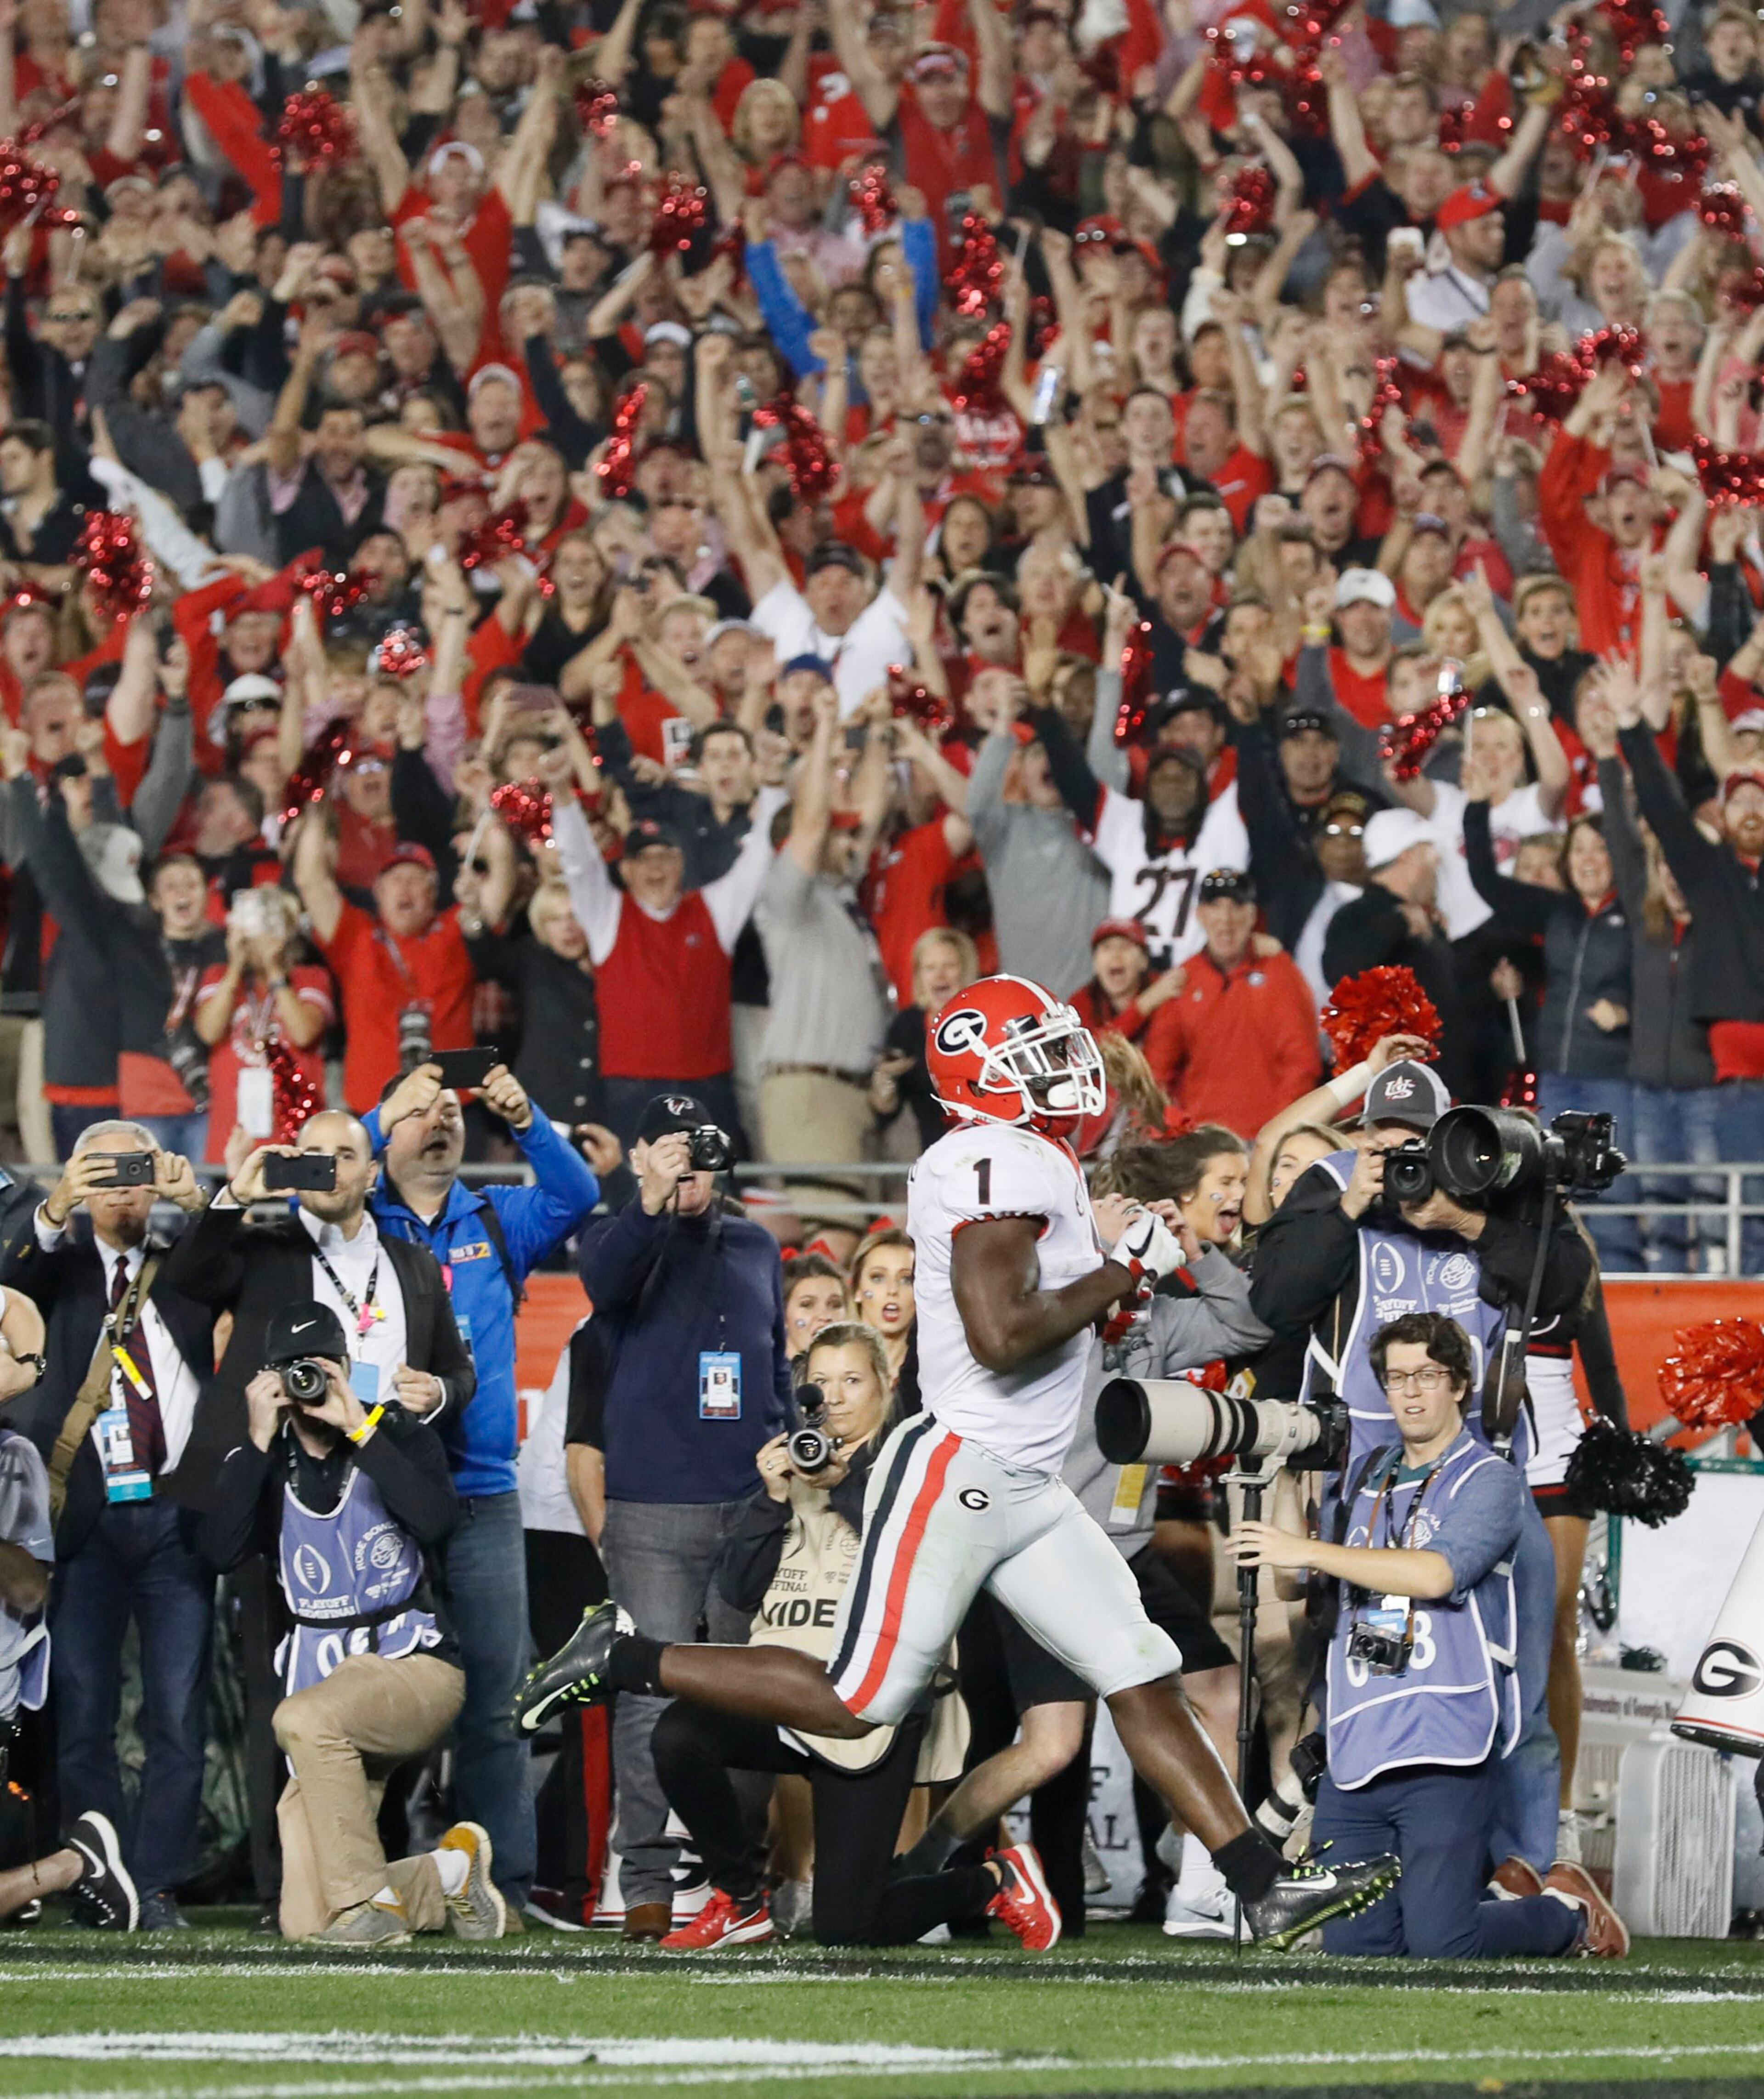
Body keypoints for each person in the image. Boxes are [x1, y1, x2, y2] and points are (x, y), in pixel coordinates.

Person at [522, 976, 1399, 1949]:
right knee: (858, 1700)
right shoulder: (990, 1156)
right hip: (965, 1473)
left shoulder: (1030, 1157)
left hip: (1025, 1485)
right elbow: (1000, 1333)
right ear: (987, 1071)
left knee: (1140, 1671)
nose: (1066, 1067)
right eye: (1041, 1051)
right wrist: (1127, 1269)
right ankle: (622, 1654)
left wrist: (1115, 1268)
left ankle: (1263, 1886)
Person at [1249, 1059, 1593, 1873]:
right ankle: (1374, 1865)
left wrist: (1468, 1220)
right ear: (1362, 1133)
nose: (1400, 1155)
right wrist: (1346, 1209)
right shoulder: (1336, 1184)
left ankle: (1526, 1868)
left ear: (1450, 1134)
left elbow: (1568, 1289)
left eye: (1417, 1141)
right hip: (1367, 1485)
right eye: (1383, 1136)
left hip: (1484, 1471)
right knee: (1362, 1674)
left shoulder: (1487, 1176)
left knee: (1522, 1679)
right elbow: (1275, 1302)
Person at [1230, 1312, 1628, 1960]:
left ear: (1460, 1384)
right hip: (1358, 1746)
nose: (1411, 1392)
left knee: (1443, 1944)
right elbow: (1295, 1581)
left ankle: (1566, 1918)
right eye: (1396, 1379)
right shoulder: (1365, 1476)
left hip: (1445, 1739)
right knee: (1359, 1949)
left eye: (1427, 1376)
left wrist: (1301, 1546)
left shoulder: (1489, 1479)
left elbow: (1437, 1573)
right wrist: (1282, 1469)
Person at [158, 1109, 475, 1915]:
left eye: (347, 1153)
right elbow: (184, 1283)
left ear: (376, 1172)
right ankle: (350, 1886)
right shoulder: (266, 1247)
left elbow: (455, 1373)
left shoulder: (410, 1261)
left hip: (385, 1473)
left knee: (355, 1715)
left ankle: (371, 1880)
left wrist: (429, 1397)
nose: (330, 1166)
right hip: (288, 1492)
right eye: (314, 1155)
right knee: (285, 1707)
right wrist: (233, 1193)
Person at [651, 1322, 1051, 1951]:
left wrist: (845, 1486)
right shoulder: (794, 1460)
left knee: (845, 1927)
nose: (833, 1397)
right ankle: (743, 1901)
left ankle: (995, 1881)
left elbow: (929, 1560)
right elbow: (737, 1591)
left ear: (887, 1385)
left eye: (851, 1380)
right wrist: (772, 1498)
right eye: (820, 1382)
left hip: (869, 1704)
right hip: (786, 1688)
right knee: (678, 1735)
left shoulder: (919, 1461)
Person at [364, 1058, 600, 1921]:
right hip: (382, 1492)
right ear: (387, 1133)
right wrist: (374, 1112)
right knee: (379, 1694)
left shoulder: (495, 1217)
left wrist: (528, 1114)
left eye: (448, 1110)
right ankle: (373, 1877)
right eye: (417, 1111)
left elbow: (579, 1193)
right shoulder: (361, 1216)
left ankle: (498, 1886)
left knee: (500, 1702)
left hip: (485, 1494)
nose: (440, 1120)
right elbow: (310, 1177)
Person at [195, 1300, 502, 1948]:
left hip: (412, 1668)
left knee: (301, 1718)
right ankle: (447, 1875)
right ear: (273, 1381)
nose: (313, 1384)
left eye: (324, 1368)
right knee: (306, 1923)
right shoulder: (266, 1456)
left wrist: (361, 1427)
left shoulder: (395, 1433)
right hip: (324, 1684)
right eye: (295, 1372)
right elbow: (218, 1552)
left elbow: (438, 1521)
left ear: (346, 1368)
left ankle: (370, 1904)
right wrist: (252, 1440)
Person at [567, 1090, 792, 1941]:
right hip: (653, 1509)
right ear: (637, 1158)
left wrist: (786, 1461)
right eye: (663, 1146)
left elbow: (772, 1367)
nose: (683, 1158)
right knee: (648, 1698)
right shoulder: (618, 1239)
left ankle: (738, 1881)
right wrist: (653, 1197)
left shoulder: (756, 1243)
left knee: (746, 1696)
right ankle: (646, 1881)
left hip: (749, 1504)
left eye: (693, 1144)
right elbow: (603, 1279)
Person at [0, 1124, 213, 1928]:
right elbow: (4, 1283)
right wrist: (54, 1205)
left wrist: (198, 1201)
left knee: (177, 1709)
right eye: (107, 1171)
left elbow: (249, 1270)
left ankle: (155, 1882)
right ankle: (97, 1874)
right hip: (82, 1517)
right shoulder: (55, 1271)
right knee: (84, 1707)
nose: (125, 1185)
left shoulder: (189, 1262)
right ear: (82, 1184)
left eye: (137, 1169)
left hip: (173, 1513)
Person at [549, 741, 786, 1150]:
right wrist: (561, 793)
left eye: (666, 857)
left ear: (682, 865)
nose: (655, 868)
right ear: (626, 870)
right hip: (631, 1092)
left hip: (708, 1089)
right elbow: (579, 863)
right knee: (637, 1203)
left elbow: (758, 859)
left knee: (715, 1203)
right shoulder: (607, 914)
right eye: (644, 859)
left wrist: (774, 784)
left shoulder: (712, 908)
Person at [290, 817, 476, 1115]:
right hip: (373, 1106)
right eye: (395, 880)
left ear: (433, 894)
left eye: (416, 880)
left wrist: (489, 825)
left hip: (454, 1105)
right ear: (378, 892)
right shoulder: (355, 936)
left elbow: (497, 894)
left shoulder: (455, 930)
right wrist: (315, 802)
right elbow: (310, 881)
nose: (405, 888)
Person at [1142, 870, 1321, 1132]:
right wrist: (1165, 1136)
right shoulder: (1183, 981)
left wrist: (1280, 1133)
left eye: (1236, 906)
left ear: (1252, 916)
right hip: (1201, 1141)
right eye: (1215, 906)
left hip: (1265, 1137)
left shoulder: (1280, 973)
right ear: (1200, 915)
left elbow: (1301, 1063)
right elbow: (1157, 1073)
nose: (1225, 920)